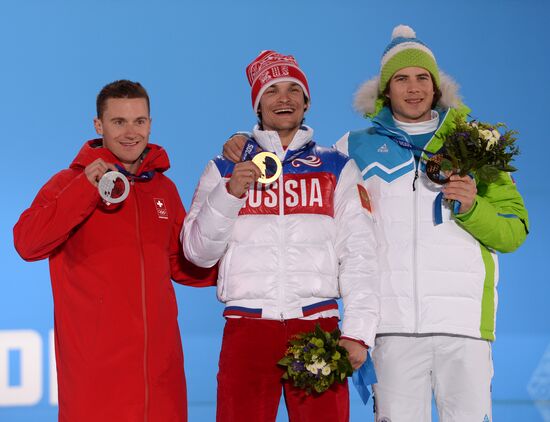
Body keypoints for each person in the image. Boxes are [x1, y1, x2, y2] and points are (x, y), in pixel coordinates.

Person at [334, 25, 529, 422]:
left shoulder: (476, 143)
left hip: (464, 326)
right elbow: (326, 225)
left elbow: (513, 231)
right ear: (386, 89)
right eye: (401, 79)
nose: (413, 88)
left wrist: (473, 207)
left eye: (422, 78)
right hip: (391, 327)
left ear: (436, 86)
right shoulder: (353, 147)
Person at [182, 50, 379, 422]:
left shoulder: (336, 167)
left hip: (316, 328)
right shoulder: (225, 167)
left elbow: (360, 253)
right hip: (247, 329)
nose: (284, 99)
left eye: (293, 90)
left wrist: (358, 331)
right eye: (272, 91)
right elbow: (197, 253)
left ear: (307, 103)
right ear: (258, 105)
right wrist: (229, 194)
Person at [13, 80, 216, 422]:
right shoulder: (68, 183)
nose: (130, 132)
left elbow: (183, 263)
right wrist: (85, 190)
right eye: (118, 121)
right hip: (95, 382)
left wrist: (247, 269)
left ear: (150, 124)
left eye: (139, 121)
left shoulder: (162, 188)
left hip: (161, 381)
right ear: (99, 125)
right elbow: (27, 243)